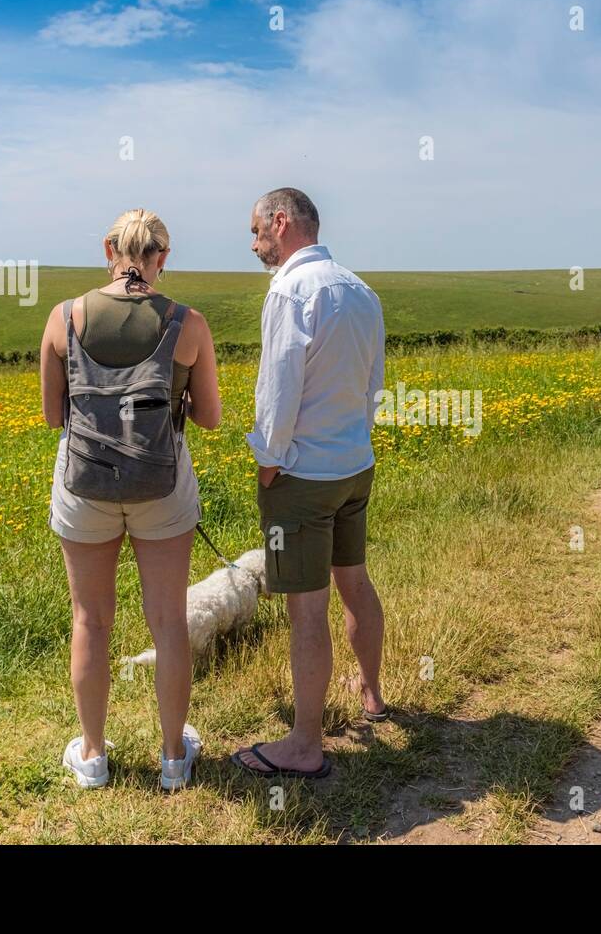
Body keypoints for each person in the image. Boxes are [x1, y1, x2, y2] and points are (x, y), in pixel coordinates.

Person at [39, 208, 222, 791]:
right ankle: (174, 758)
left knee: (90, 619)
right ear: (162, 258)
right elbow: (211, 418)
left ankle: (92, 756)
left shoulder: (62, 318)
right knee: (168, 621)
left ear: (109, 248)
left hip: (85, 485)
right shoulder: (187, 323)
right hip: (161, 486)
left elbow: (51, 417)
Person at [233, 187, 387, 779]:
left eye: (256, 231)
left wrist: (268, 461)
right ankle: (371, 694)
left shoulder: (290, 291)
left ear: (281, 222)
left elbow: (278, 388)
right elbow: (373, 383)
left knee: (306, 608)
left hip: (302, 473)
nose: (254, 245)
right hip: (353, 464)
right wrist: (354, 437)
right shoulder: (360, 290)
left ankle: (304, 744)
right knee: (354, 580)